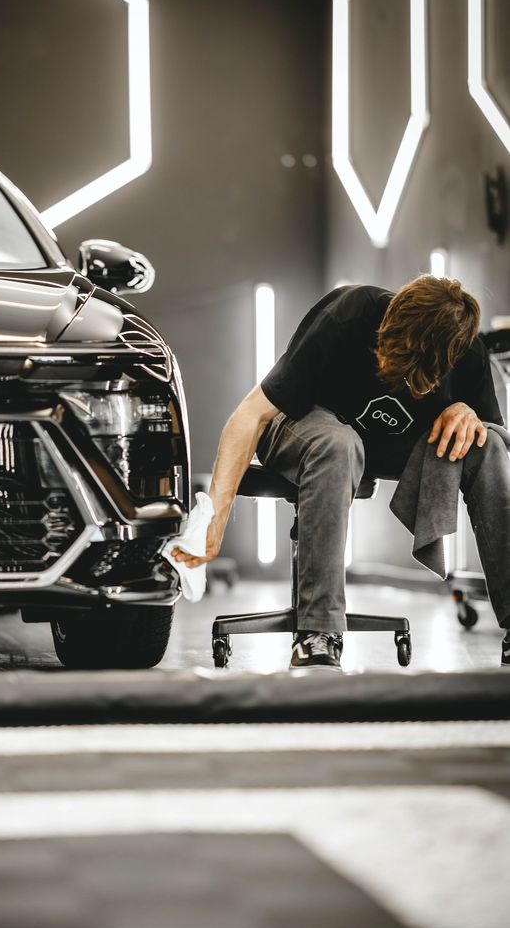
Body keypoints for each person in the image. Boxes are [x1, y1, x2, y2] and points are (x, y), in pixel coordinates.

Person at [172, 275, 510, 671]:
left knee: (488, 446)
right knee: (338, 443)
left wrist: (466, 412)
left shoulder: (466, 350)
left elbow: (493, 431)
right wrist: (213, 520)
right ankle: (317, 632)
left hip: (388, 445)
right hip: (302, 425)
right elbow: (251, 415)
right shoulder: (350, 314)